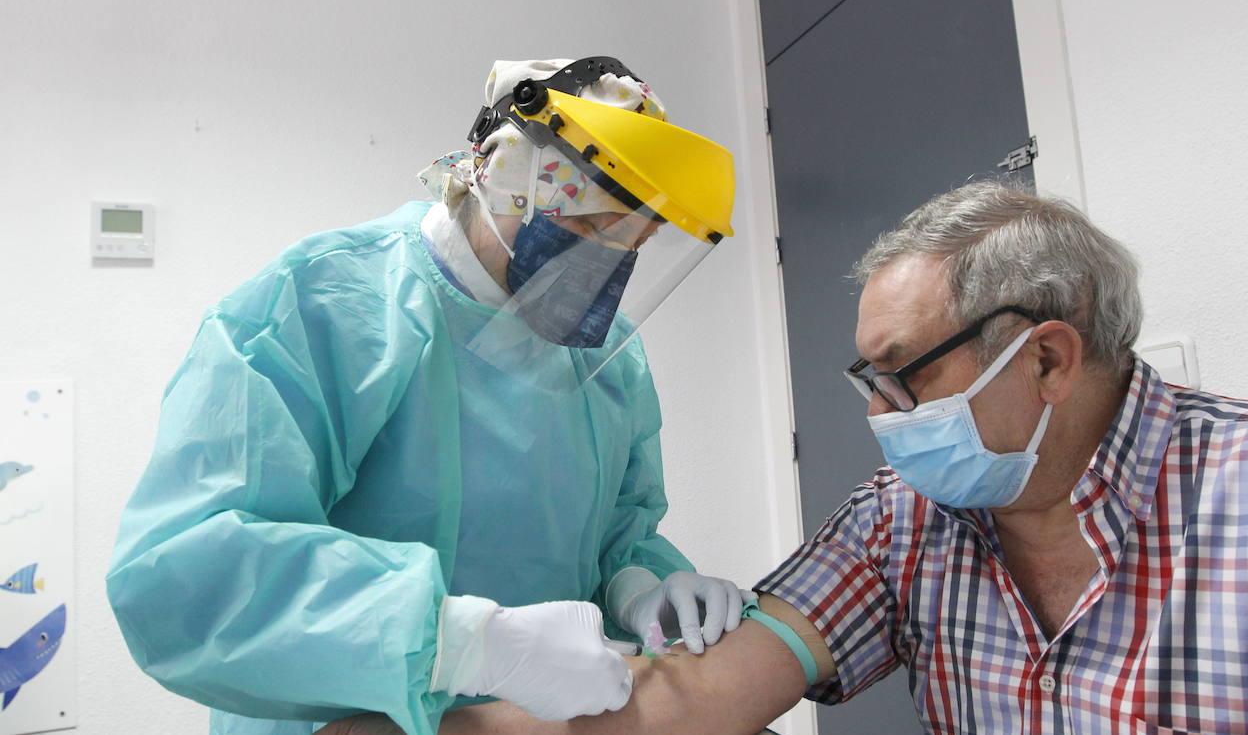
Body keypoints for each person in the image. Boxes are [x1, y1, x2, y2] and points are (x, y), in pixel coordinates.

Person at [317, 180, 1247, 735]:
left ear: (1046, 357)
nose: (882, 418)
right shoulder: (905, 519)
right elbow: (687, 701)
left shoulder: (1230, 496)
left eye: (902, 377)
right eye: (866, 381)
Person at [106, 57, 749, 735]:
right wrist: (468, 644)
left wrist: (640, 587)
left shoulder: (608, 361)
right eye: (591, 231)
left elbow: (619, 529)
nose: (606, 272)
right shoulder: (324, 307)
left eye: (633, 246)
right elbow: (187, 577)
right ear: (506, 176)